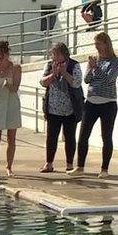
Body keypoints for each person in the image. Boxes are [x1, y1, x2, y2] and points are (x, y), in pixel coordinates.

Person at [72, 32, 118, 178]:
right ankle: (80, 166)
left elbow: (109, 79)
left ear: (106, 44)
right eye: (95, 44)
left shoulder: (115, 61)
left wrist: (96, 69)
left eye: (98, 44)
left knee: (106, 136)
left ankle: (104, 169)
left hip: (108, 103)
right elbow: (87, 79)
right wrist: (92, 67)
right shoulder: (94, 60)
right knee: (83, 135)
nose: (97, 47)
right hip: (91, 102)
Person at [40, 42, 83, 173]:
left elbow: (76, 83)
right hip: (53, 108)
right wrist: (53, 75)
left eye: (56, 54)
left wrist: (64, 73)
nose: (54, 57)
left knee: (70, 136)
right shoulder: (49, 65)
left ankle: (69, 164)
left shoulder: (74, 65)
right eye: (53, 54)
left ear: (64, 54)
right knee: (51, 137)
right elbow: (42, 82)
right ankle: (49, 163)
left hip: (70, 108)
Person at [0, 41, 21, 178]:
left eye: (0, 56)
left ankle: (9, 167)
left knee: (11, 138)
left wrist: (9, 85)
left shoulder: (16, 68)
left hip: (11, 104)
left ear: (6, 54)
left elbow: (16, 88)